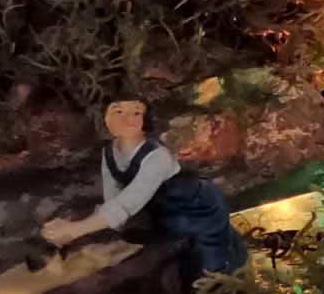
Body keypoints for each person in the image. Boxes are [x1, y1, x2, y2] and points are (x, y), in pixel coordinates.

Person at [41, 99, 246, 276]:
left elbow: (126, 205)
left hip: (198, 215)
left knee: (212, 270)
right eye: (118, 112)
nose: (127, 119)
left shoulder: (159, 158)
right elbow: (115, 203)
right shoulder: (113, 153)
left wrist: (75, 230)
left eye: (135, 113)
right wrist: (79, 227)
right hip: (163, 219)